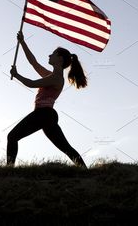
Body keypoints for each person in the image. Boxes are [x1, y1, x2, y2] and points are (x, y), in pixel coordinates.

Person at [8, 31, 88, 169]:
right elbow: (34, 63)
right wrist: (22, 42)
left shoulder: (56, 78)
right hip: (46, 116)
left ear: (60, 59)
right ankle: (85, 170)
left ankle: (8, 170)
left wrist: (16, 75)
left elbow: (32, 83)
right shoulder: (51, 75)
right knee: (65, 147)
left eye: (53, 54)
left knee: (12, 137)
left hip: (44, 114)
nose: (49, 55)